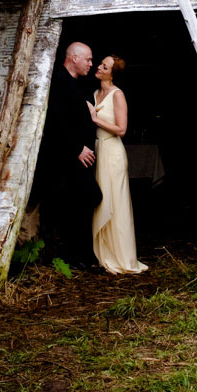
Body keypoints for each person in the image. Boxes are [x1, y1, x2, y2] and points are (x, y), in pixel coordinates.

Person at [33, 41, 102, 270]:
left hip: (75, 158)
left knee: (81, 201)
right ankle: (77, 256)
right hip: (65, 158)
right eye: (88, 59)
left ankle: (76, 255)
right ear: (74, 58)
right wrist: (77, 148)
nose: (91, 64)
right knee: (86, 198)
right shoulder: (59, 81)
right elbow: (54, 120)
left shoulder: (72, 83)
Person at [89, 55, 147, 275]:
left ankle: (122, 257)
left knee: (117, 203)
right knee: (102, 201)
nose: (98, 67)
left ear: (112, 74)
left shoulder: (117, 95)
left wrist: (95, 118)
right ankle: (104, 255)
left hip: (113, 151)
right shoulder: (95, 94)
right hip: (99, 150)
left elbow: (121, 129)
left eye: (104, 66)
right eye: (100, 64)